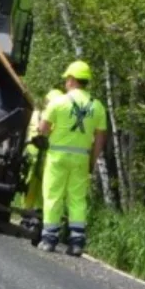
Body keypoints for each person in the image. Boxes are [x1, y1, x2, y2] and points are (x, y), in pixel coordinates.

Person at [36, 60, 108, 256]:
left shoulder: (58, 102)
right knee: (77, 199)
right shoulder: (98, 106)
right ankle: (77, 241)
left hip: (57, 156)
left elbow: (42, 130)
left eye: (67, 79)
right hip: (81, 158)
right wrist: (92, 161)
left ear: (71, 79)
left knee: (53, 196)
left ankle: (50, 238)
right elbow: (101, 138)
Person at [20, 88, 66, 232]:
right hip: (32, 159)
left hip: (47, 160)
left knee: (44, 188)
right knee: (29, 187)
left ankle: (37, 215)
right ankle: (26, 215)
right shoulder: (36, 116)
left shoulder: (59, 120)